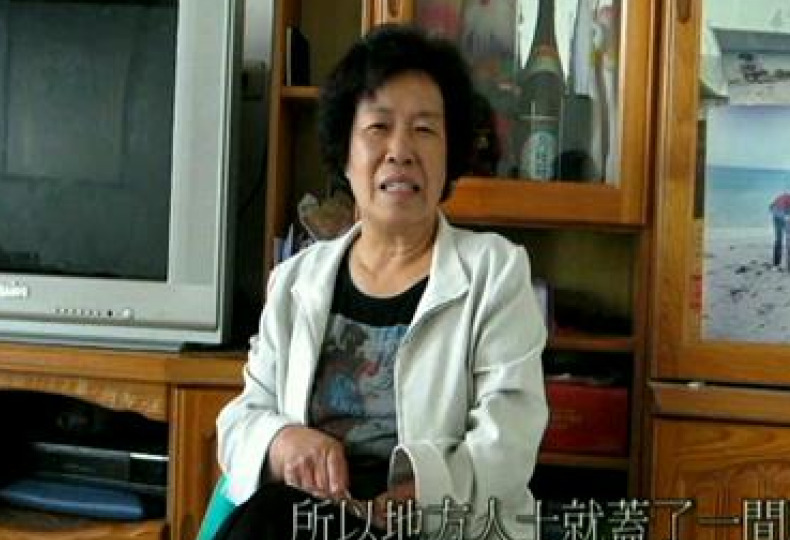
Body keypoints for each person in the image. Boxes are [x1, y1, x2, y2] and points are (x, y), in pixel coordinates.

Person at [214, 24, 548, 540]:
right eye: (378, 127)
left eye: (424, 129)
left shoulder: (495, 272)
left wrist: (420, 500)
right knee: (268, 517)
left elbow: (511, 437)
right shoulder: (296, 280)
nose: (400, 150)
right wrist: (282, 442)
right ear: (345, 154)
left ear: (450, 154)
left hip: (439, 525)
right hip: (315, 516)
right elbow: (241, 419)